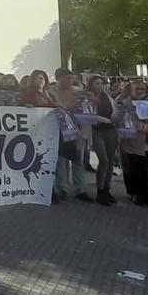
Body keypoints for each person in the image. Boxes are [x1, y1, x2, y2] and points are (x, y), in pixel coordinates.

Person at [52, 68, 92, 203]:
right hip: (60, 129)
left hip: (78, 129)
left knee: (78, 160)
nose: (70, 81)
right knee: (61, 160)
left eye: (71, 78)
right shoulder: (51, 92)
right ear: (59, 79)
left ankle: (80, 189)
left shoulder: (79, 92)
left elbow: (86, 110)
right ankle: (62, 188)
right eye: (66, 78)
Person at [117, 80, 148, 207]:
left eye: (142, 89)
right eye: (137, 89)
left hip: (147, 142)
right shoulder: (122, 103)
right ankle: (135, 193)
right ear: (130, 90)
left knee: (146, 169)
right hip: (131, 142)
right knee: (133, 169)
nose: (140, 92)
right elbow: (116, 119)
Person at [85, 75, 119, 206]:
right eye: (97, 83)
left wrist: (115, 119)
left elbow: (114, 111)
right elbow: (90, 116)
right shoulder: (88, 98)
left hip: (110, 130)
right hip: (97, 130)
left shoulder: (107, 98)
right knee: (103, 159)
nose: (100, 86)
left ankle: (106, 189)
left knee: (110, 160)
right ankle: (100, 190)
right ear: (91, 85)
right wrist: (104, 119)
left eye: (101, 83)